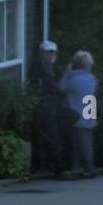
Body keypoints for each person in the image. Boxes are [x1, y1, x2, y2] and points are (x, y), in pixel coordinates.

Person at [28, 40, 67, 176]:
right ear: (42, 52)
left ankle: (38, 167)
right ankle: (58, 169)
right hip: (45, 106)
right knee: (52, 136)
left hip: (43, 105)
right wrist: (63, 91)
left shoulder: (44, 65)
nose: (50, 55)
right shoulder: (42, 66)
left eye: (52, 52)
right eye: (48, 52)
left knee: (40, 137)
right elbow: (51, 85)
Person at [60, 50, 97, 178]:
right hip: (89, 111)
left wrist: (66, 74)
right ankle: (81, 167)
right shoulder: (91, 78)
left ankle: (86, 168)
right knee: (86, 140)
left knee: (79, 142)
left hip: (77, 113)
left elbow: (62, 87)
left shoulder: (74, 79)